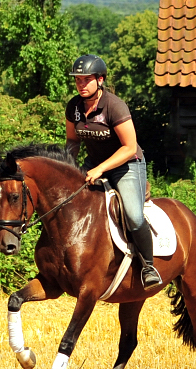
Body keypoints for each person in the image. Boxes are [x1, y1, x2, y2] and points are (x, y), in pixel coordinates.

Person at [65, 54, 161, 290]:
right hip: (94, 165)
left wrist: (100, 169)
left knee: (133, 215)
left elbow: (129, 147)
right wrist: (68, 168)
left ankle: (148, 266)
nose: (81, 84)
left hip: (127, 165)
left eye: (87, 79)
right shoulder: (74, 107)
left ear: (100, 80)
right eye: (78, 80)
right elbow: (72, 142)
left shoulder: (114, 106)